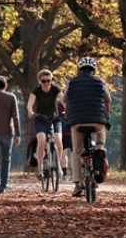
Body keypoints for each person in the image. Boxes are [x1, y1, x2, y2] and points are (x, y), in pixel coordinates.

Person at [61, 56, 111, 197]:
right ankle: (99, 154)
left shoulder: (72, 83)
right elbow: (108, 100)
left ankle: (77, 185)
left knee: (77, 151)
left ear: (79, 69)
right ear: (94, 70)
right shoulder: (100, 82)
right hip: (98, 120)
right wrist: (105, 116)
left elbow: (65, 100)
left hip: (77, 121)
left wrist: (67, 117)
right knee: (100, 139)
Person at [27, 69, 64, 181]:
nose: (46, 83)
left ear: (51, 80)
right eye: (44, 81)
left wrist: (67, 109)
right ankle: (40, 168)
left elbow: (63, 100)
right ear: (40, 81)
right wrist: (31, 112)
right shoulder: (36, 91)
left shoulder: (55, 90)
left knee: (58, 140)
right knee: (42, 139)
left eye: (49, 80)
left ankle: (58, 166)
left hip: (54, 118)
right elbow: (30, 104)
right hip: (41, 119)